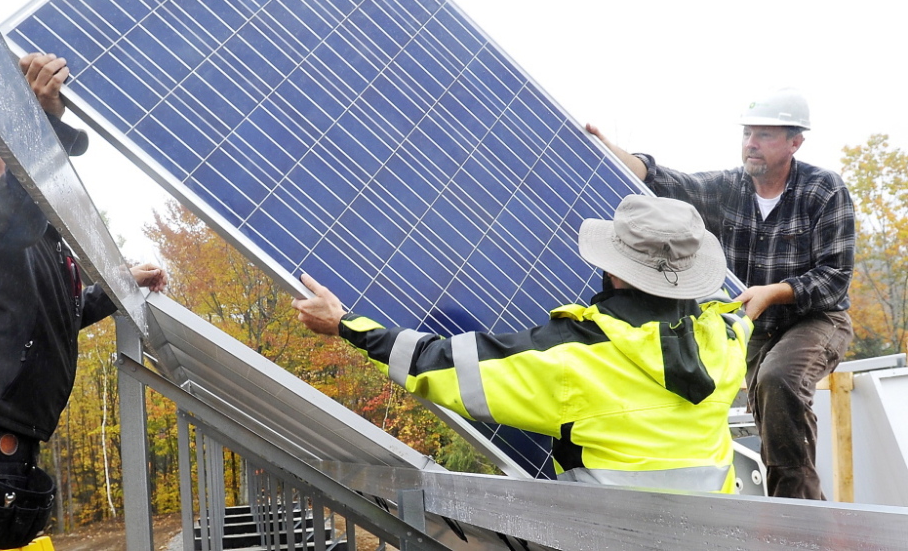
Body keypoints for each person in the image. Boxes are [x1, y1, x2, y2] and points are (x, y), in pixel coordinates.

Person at [293, 195, 752, 493]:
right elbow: (742, 316)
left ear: (615, 268)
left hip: (603, 537)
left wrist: (347, 325)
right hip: (712, 533)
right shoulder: (729, 339)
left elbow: (442, 366)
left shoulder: (571, 356)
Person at [0, 52, 168, 551]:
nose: (58, 165)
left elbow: (62, 316)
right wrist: (38, 123)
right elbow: (9, 221)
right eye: (47, 150)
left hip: (0, 446)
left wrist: (119, 284)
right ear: (6, 156)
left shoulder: (51, 247)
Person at [586, 88, 854, 500]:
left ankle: (798, 512)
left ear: (795, 142)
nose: (751, 144)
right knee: (680, 375)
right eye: (748, 133)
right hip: (753, 324)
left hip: (816, 319)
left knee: (779, 379)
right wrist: (608, 149)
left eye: (765, 135)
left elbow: (835, 277)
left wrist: (773, 293)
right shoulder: (729, 188)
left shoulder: (823, 190)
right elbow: (668, 181)